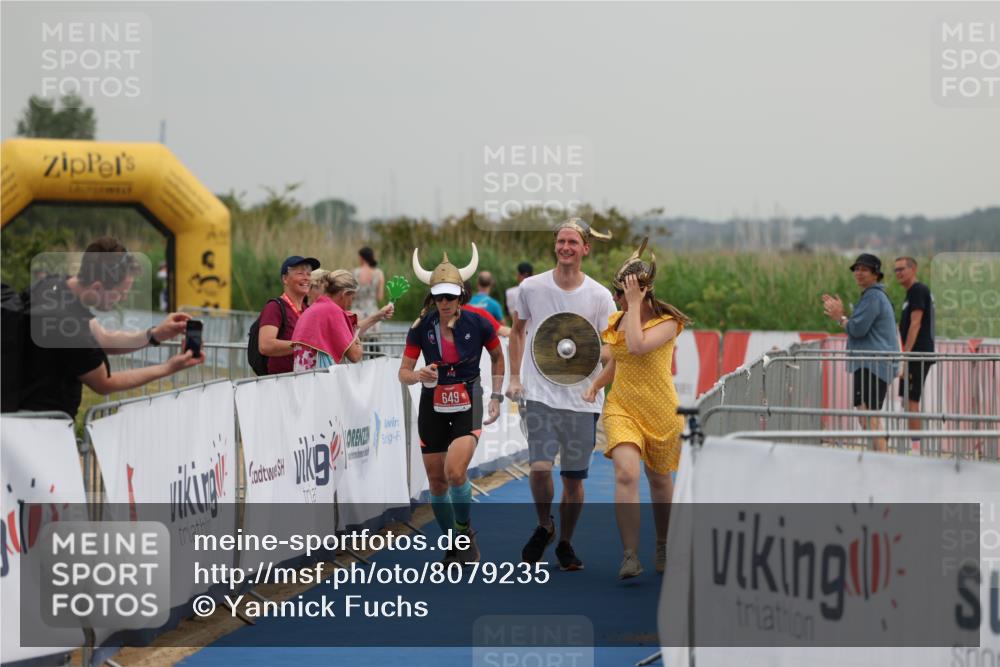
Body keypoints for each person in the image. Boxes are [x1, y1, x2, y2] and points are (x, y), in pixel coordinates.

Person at [506, 218, 617, 571]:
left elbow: (610, 350)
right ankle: (544, 525)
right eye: (561, 241)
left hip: (581, 398)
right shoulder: (532, 288)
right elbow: (517, 332)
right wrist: (513, 378)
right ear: (555, 245)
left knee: (573, 479)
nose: (566, 247)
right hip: (539, 394)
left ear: (585, 248)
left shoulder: (600, 297)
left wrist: (593, 371)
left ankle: (565, 542)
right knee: (539, 469)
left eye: (573, 242)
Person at [582, 239, 690, 579]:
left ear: (642, 291)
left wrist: (631, 305)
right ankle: (630, 554)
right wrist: (597, 385)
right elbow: (619, 361)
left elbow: (640, 347)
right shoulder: (617, 321)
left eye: (622, 292)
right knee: (626, 472)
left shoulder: (667, 322)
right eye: (616, 293)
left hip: (660, 409)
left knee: (659, 481)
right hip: (623, 406)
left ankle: (663, 544)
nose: (617, 299)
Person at [399, 243, 505, 565]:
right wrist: (418, 375)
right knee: (436, 480)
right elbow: (402, 373)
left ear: (461, 295)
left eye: (450, 296)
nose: (444, 303)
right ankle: (454, 544)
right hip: (432, 404)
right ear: (431, 298)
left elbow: (498, 357)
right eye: (439, 297)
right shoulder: (421, 328)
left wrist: (497, 396)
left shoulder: (480, 322)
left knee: (455, 471)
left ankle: (464, 532)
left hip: (468, 399)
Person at [17, 237, 203, 418]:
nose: (122, 299)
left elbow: (103, 337)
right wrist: (169, 368)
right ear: (97, 287)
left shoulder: (53, 285)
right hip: (41, 426)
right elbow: (105, 383)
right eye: (120, 293)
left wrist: (155, 334)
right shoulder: (71, 327)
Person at [822, 253, 899, 452]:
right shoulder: (873, 296)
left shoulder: (873, 296)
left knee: (869, 417)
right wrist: (844, 318)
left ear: (876, 274)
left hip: (872, 364)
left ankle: (883, 460)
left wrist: (840, 318)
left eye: (864, 269)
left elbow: (857, 329)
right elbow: (858, 326)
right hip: (871, 363)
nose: (858, 273)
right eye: (856, 269)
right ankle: (881, 457)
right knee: (866, 417)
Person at [292, 270, 394, 369]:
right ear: (344, 294)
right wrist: (358, 342)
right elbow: (355, 355)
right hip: (318, 379)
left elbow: (352, 329)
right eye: (352, 298)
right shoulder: (333, 311)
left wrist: (378, 316)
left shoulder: (318, 308)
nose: (351, 304)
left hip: (304, 378)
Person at [894, 256, 935, 449]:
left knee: (912, 400)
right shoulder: (911, 293)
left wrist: (906, 355)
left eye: (902, 269)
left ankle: (916, 448)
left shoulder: (918, 290)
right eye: (896, 270)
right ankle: (913, 445)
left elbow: (916, 323)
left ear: (914, 269)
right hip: (913, 353)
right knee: (907, 399)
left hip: (917, 354)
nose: (898, 273)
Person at [257, 256, 320, 375]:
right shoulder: (274, 307)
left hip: (304, 380)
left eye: (309, 274)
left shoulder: (308, 310)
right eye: (300, 273)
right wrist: (302, 345)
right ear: (285, 279)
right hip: (281, 383)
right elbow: (265, 345)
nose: (306, 278)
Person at [353, 247, 386, 335]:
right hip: (373, 312)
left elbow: (353, 295)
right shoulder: (379, 273)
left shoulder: (355, 272)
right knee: (373, 344)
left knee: (356, 339)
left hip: (357, 312)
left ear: (361, 258)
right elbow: (380, 297)